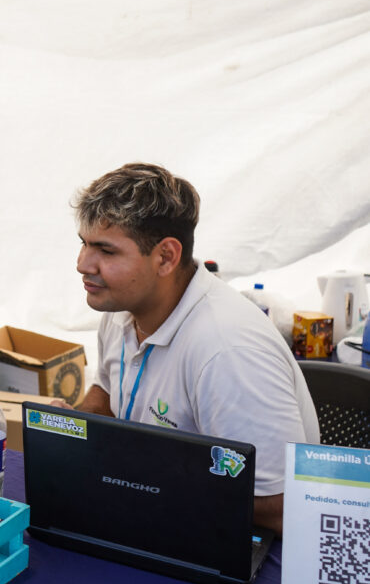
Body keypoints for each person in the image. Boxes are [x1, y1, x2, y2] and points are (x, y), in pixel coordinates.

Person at [67, 162, 318, 534]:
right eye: (84, 244)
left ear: (166, 257)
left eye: (105, 250)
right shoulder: (122, 308)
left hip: (241, 557)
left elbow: (282, 506)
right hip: (161, 518)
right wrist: (68, 429)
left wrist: (144, 480)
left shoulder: (228, 349)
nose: (83, 264)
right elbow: (107, 390)